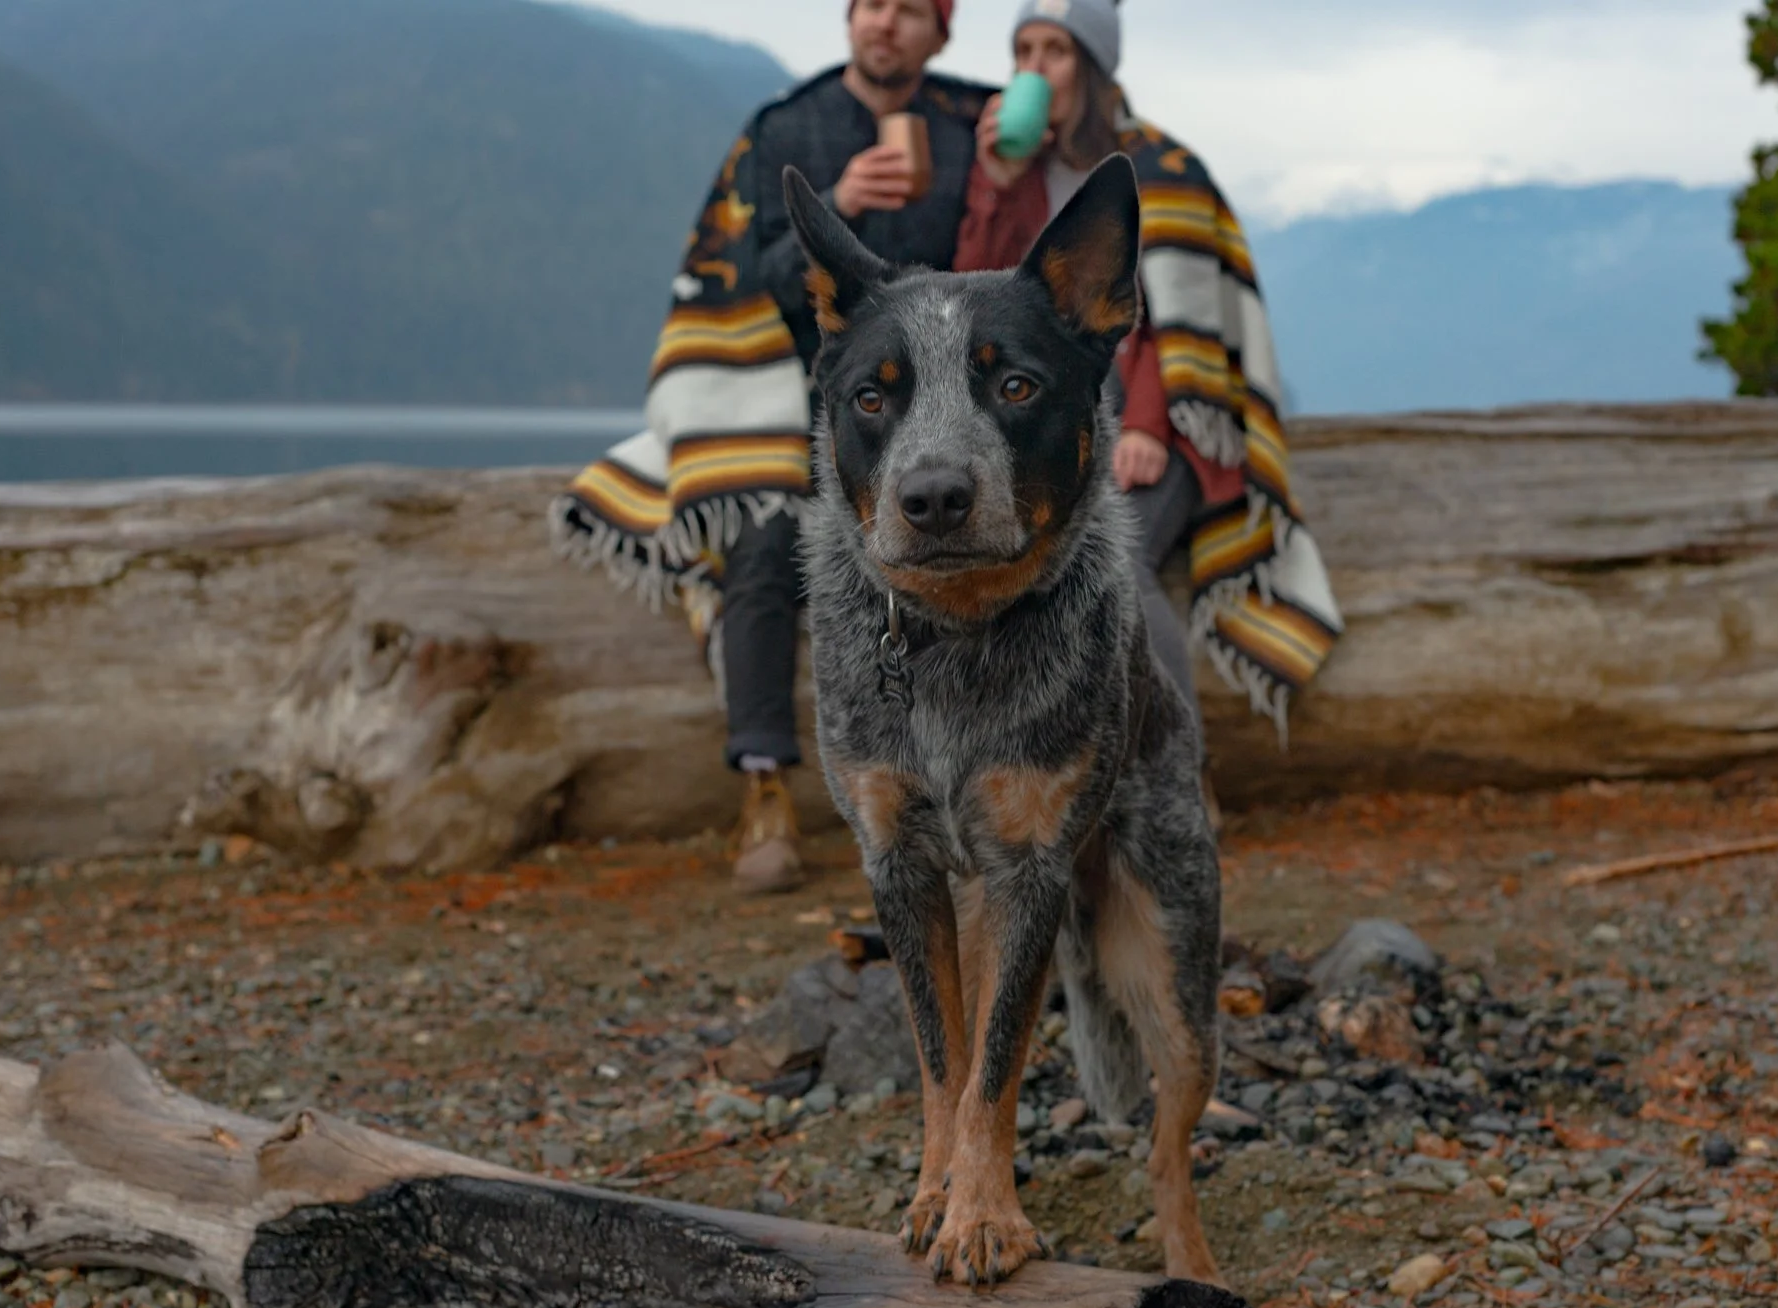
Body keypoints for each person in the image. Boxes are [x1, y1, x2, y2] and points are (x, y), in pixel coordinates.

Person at [553, 0, 990, 895]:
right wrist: (840, 207)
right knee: (762, 549)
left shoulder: (973, 124)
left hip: (953, 403)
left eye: (913, 13)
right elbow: (746, 274)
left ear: (940, 33)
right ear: (849, 19)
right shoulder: (786, 127)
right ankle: (764, 788)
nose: (887, 26)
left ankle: (973, 789)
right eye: (874, 6)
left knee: (969, 552)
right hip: (817, 400)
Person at [953, 0, 1342, 805]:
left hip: (1169, 425)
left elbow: (1181, 325)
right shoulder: (1016, 177)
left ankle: (1180, 780)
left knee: (1113, 561)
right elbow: (973, 303)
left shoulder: (1157, 167)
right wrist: (992, 187)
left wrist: (1147, 424)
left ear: (1093, 70)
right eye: (1022, 49)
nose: (1033, 68)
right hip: (1057, 431)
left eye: (1055, 50)